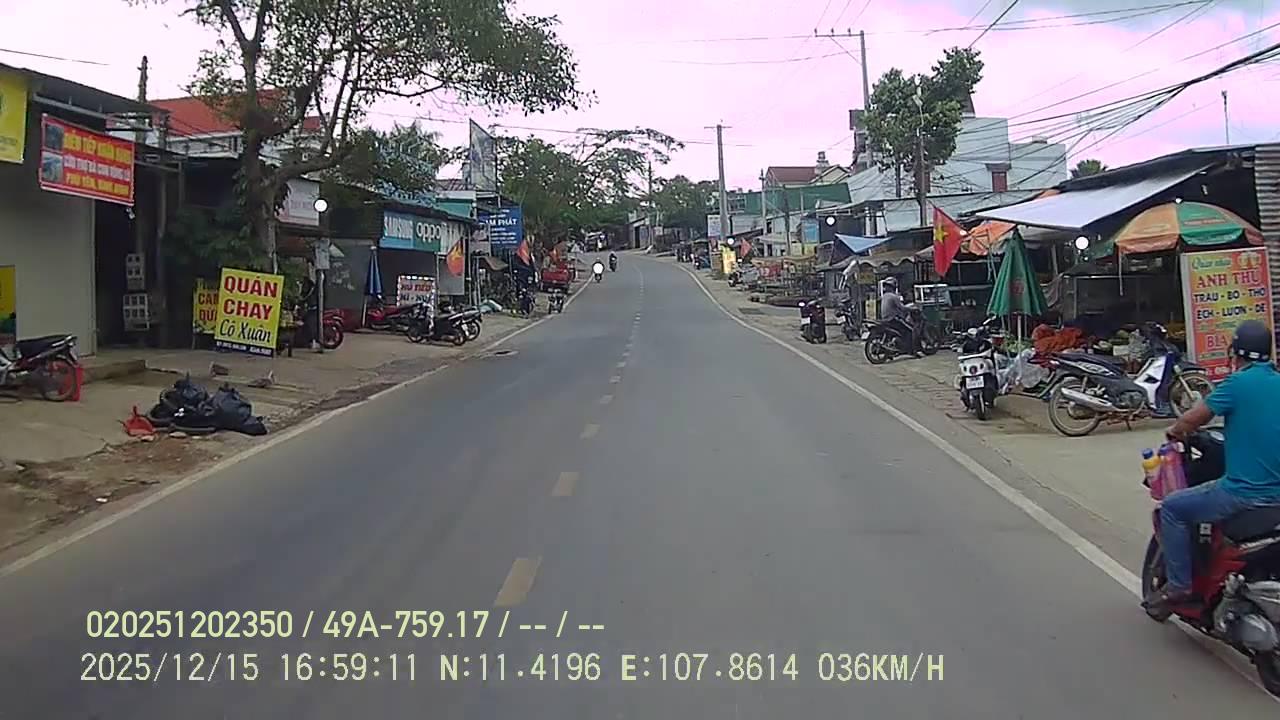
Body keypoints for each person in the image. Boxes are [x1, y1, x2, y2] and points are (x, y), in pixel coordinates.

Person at [1144, 319, 1280, 610]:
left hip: (1243, 494)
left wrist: (1176, 431)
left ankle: (1179, 587)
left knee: (1173, 508)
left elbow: (1194, 418)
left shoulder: (1238, 384)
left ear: (1236, 353)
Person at [878, 278, 922, 357]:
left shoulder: (885, 296)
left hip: (886, 319)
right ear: (893, 287)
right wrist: (912, 309)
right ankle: (911, 351)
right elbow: (902, 308)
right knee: (910, 330)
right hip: (893, 319)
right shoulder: (894, 297)